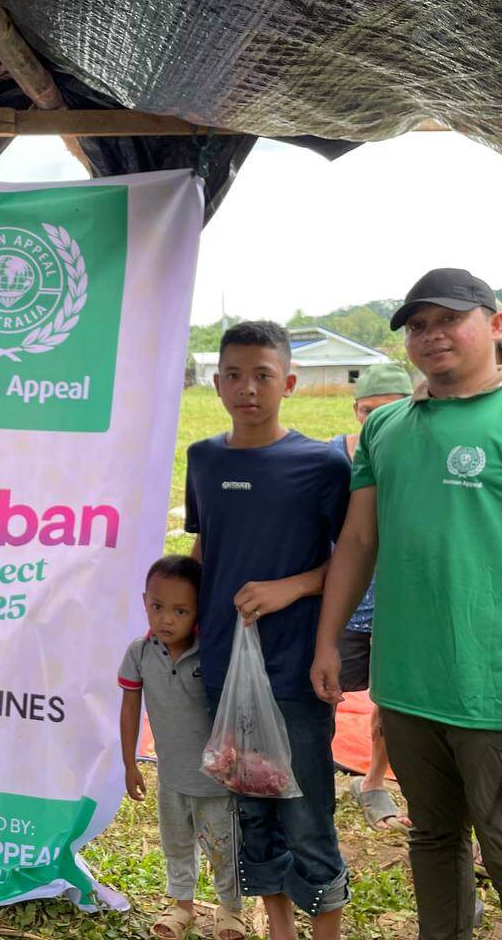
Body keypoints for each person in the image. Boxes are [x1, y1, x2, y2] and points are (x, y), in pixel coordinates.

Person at [312, 268, 502, 940]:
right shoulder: (387, 427)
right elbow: (359, 540)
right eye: (417, 325)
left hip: (501, 691)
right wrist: (327, 639)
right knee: (432, 839)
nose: (431, 335)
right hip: (407, 689)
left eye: (449, 319)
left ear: (496, 324)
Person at [185, 320, 349, 940]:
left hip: (295, 664)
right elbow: (205, 549)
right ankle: (279, 929)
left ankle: (327, 930)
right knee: (251, 805)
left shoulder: (321, 463)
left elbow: (356, 558)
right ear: (216, 382)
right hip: (223, 663)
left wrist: (294, 586)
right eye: (233, 375)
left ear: (290, 383)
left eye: (262, 375)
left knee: (306, 813)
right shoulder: (204, 459)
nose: (247, 388)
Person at [118, 555, 244, 940]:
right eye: (157, 607)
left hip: (217, 782)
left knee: (224, 848)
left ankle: (231, 909)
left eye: (180, 611)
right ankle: (182, 906)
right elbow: (129, 708)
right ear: (144, 602)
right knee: (176, 844)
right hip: (170, 777)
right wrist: (130, 763)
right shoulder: (139, 653)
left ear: (199, 611)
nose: (166, 620)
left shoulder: (213, 652)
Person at [329, 363, 414, 833]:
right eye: (368, 411)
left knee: (392, 706)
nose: (377, 421)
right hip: (343, 605)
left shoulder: (423, 457)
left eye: (391, 410)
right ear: (355, 411)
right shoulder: (329, 459)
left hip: (401, 607)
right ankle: (314, 780)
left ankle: (374, 780)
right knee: (322, 696)